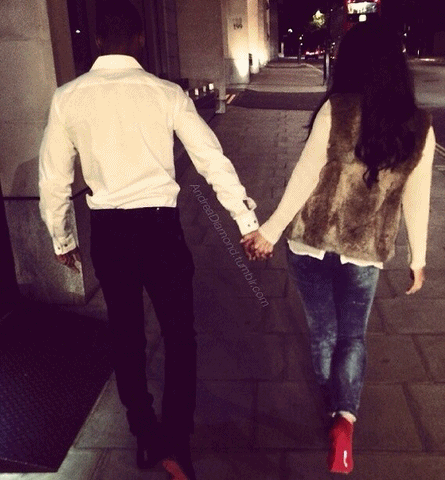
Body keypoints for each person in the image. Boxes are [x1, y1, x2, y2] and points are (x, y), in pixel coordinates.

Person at [38, 1, 258, 479]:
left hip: (109, 233)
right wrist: (245, 220)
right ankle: (177, 441)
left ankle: (144, 434)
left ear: (98, 41)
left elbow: (54, 179)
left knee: (126, 334)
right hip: (160, 229)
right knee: (179, 335)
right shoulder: (165, 94)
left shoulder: (68, 97)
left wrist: (62, 238)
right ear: (139, 40)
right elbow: (210, 158)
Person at [241, 19, 435, 475]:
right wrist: (419, 258)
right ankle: (345, 420)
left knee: (323, 334)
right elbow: (417, 197)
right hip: (365, 251)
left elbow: (304, 177)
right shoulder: (421, 126)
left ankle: (333, 409)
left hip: (311, 243)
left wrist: (270, 230)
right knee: (353, 337)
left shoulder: (337, 110)